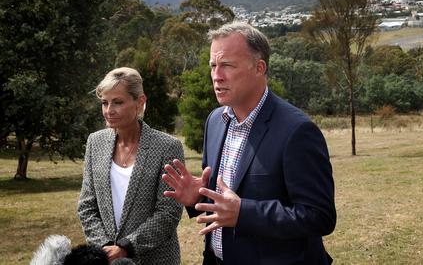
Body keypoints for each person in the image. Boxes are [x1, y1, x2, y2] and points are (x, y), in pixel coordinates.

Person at [162, 22, 336, 264]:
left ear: (259, 68)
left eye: (227, 66)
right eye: (213, 66)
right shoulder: (215, 120)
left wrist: (244, 213)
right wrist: (198, 199)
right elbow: (224, 205)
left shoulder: (297, 130)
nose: (216, 76)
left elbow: (319, 216)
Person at [78, 67, 184, 264]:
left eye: (118, 102)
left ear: (140, 102)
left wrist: (126, 247)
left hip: (155, 260)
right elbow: (87, 206)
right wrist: (105, 249)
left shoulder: (168, 147)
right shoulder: (95, 142)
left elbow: (169, 212)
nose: (109, 110)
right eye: (104, 103)